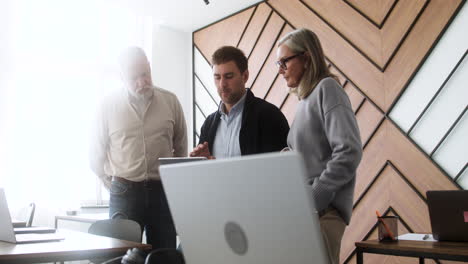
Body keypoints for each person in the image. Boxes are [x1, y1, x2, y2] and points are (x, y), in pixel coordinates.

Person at [276, 28, 362, 264]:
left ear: (306, 57)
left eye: (284, 61)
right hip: (307, 212)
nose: (280, 70)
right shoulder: (306, 99)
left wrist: (316, 195)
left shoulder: (327, 89)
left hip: (323, 214)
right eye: (278, 63)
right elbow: (307, 152)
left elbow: (349, 151)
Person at [89, 46, 187, 249]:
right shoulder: (107, 106)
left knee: (165, 255)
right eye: (134, 78)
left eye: (145, 74)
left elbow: (181, 147)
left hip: (162, 191)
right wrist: (116, 184)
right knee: (119, 255)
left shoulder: (170, 101)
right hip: (124, 190)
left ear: (150, 67)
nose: (142, 82)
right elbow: (95, 156)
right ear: (121, 77)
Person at [190, 46, 289, 159]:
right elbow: (204, 172)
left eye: (229, 76)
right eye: (217, 77)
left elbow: (281, 168)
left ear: (245, 76)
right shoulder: (208, 124)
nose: (222, 84)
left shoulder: (269, 115)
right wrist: (202, 163)